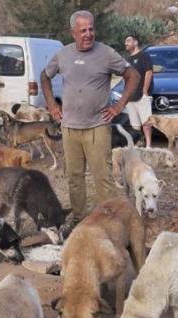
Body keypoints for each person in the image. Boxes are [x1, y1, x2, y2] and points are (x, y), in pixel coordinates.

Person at [41, 10, 140, 237]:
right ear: (73, 32)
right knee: (74, 177)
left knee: (102, 177)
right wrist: (51, 105)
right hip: (70, 127)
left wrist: (118, 106)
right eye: (83, 30)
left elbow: (132, 75)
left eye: (91, 29)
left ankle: (113, 221)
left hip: (97, 126)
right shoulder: (62, 55)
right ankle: (78, 218)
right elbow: (44, 77)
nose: (88, 34)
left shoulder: (106, 54)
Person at [124, 34, 154, 148]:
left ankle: (149, 146)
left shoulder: (143, 56)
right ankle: (137, 144)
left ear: (135, 42)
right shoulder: (128, 60)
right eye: (125, 41)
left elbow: (149, 72)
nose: (126, 43)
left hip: (141, 96)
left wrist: (145, 90)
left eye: (128, 41)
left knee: (146, 123)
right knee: (135, 125)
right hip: (130, 97)